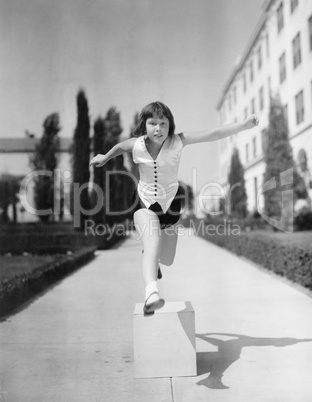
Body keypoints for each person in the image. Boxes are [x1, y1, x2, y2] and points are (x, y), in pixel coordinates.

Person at [90, 101, 259, 315]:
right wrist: (105, 158)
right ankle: (151, 294)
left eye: (163, 123)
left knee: (166, 259)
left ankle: (152, 260)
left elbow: (214, 133)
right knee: (152, 243)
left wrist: (243, 126)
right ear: (145, 125)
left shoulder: (180, 140)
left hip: (171, 204)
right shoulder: (136, 144)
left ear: (170, 125)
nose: (158, 128)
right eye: (153, 123)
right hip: (144, 202)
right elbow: (118, 148)